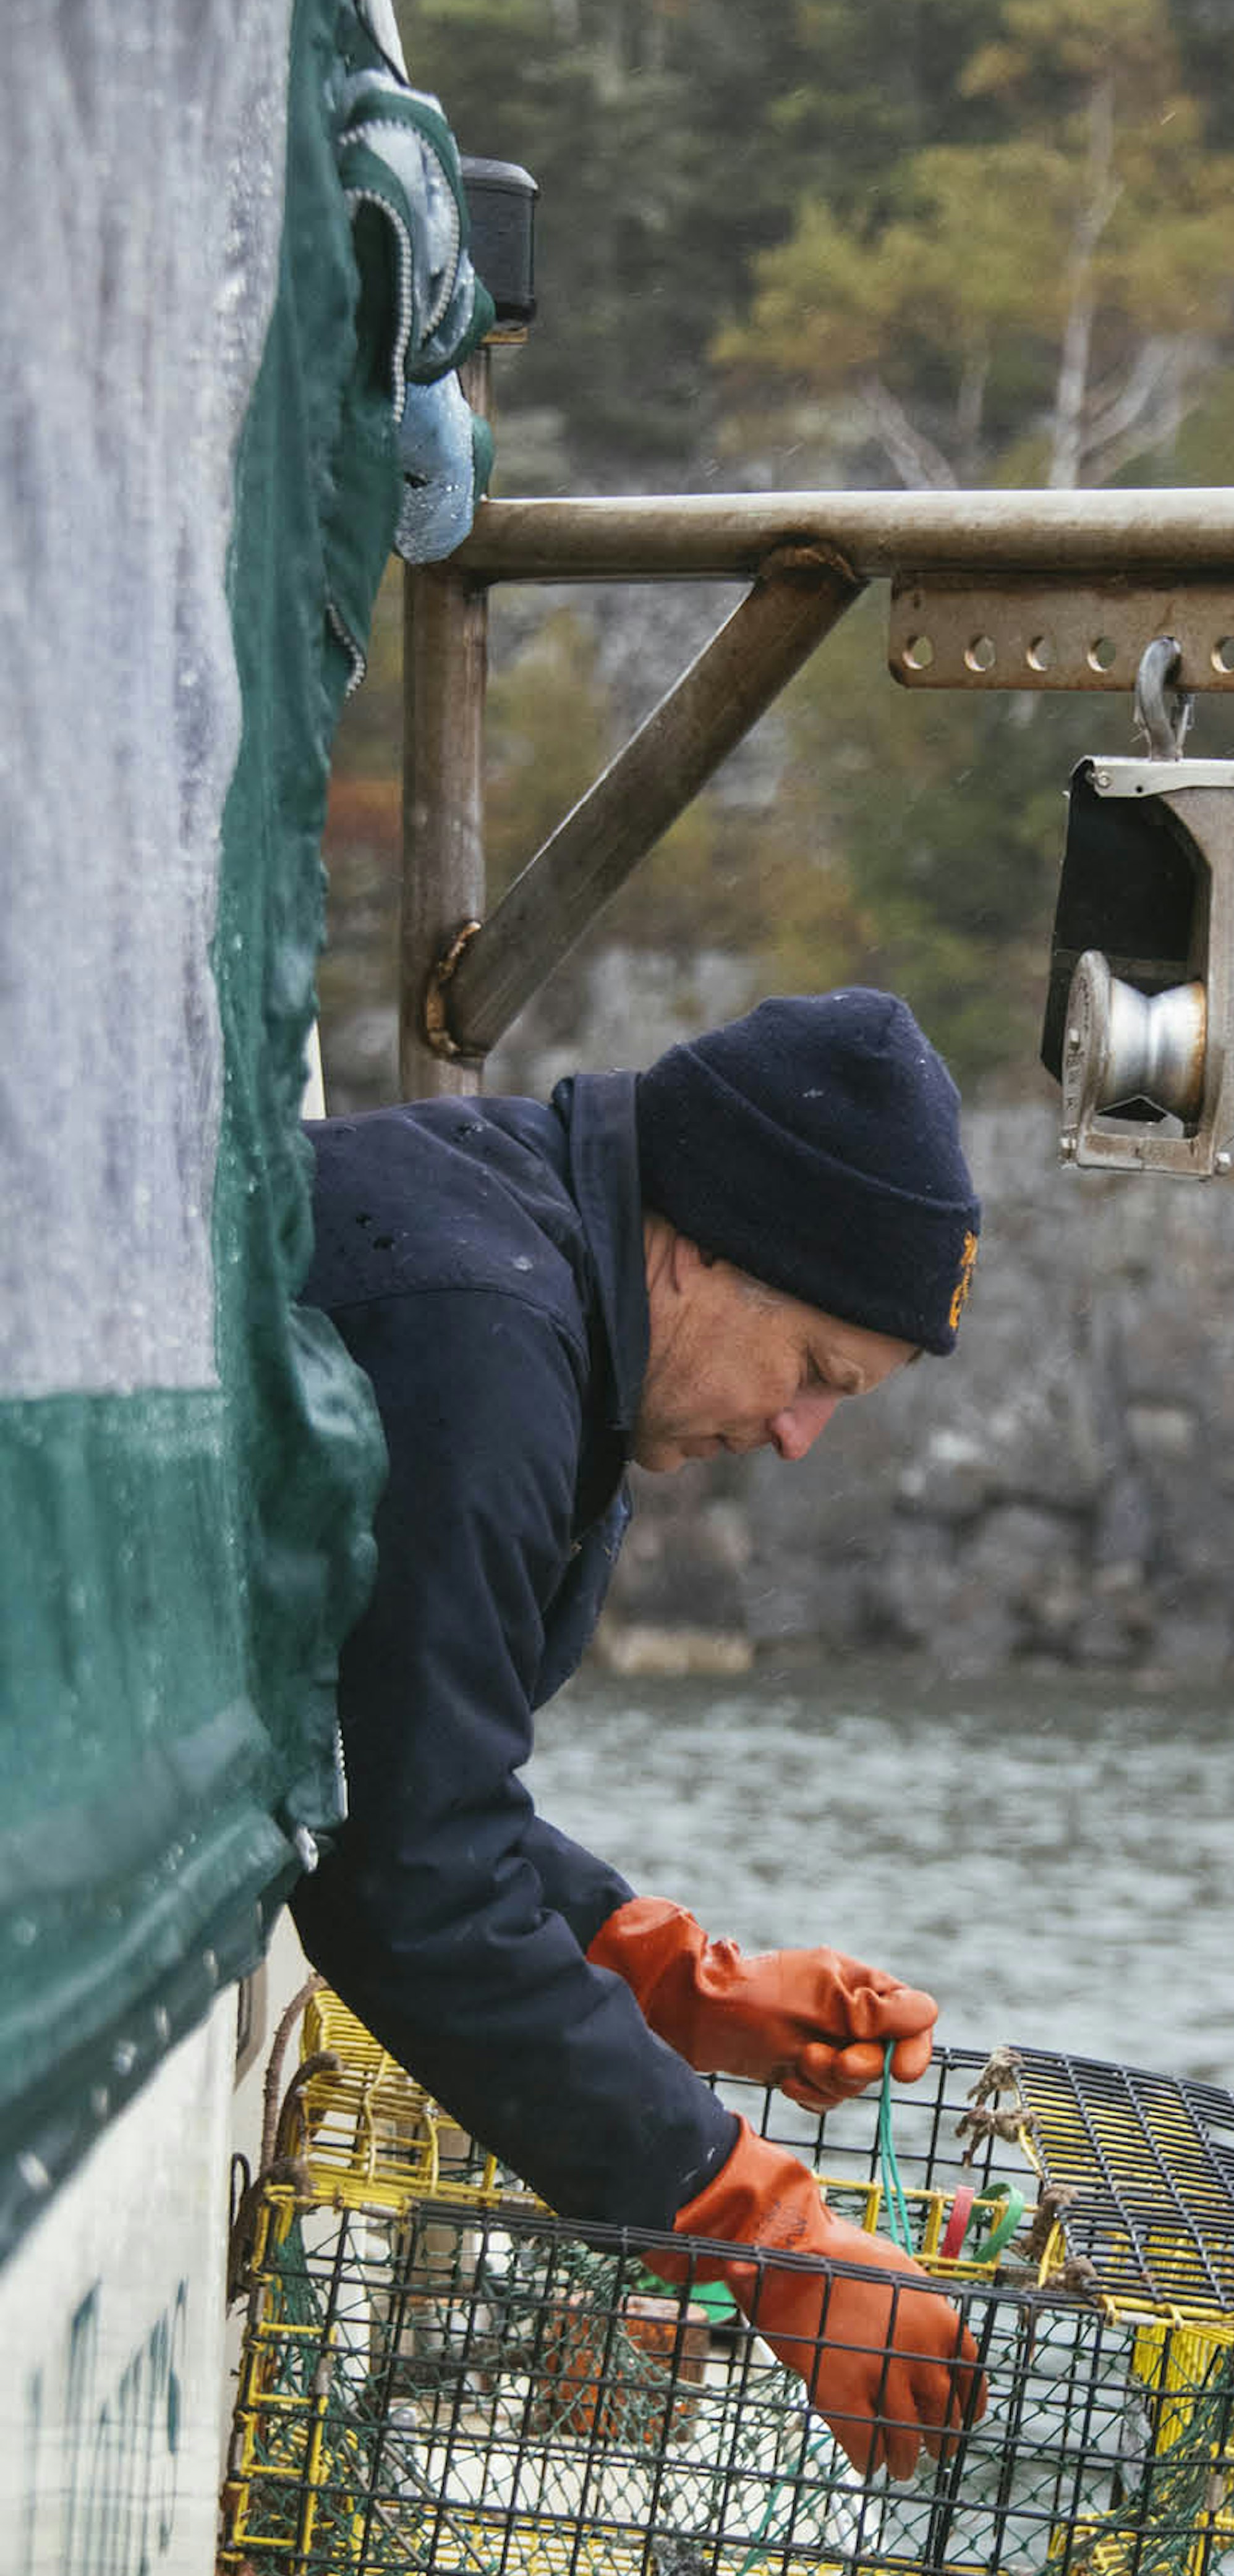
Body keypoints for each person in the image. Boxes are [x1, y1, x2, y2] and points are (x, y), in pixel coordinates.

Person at [292, 988, 983, 2475]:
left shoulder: (536, 1279)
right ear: (709, 1246)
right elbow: (402, 1877)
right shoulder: (481, 1340)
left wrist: (661, 1971)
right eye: (814, 1373)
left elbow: (364, 1735)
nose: (800, 1437)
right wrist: (766, 2233)